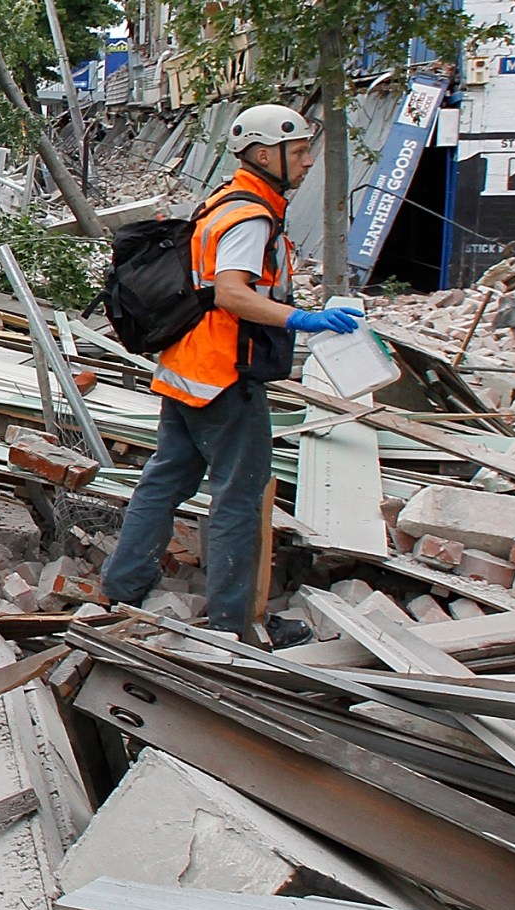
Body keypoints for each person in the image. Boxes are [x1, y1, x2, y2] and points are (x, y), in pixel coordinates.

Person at [100, 104, 362, 648]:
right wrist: (303, 319)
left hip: (189, 367)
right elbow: (231, 292)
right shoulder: (250, 216)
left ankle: (123, 587)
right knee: (238, 497)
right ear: (267, 155)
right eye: (301, 151)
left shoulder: (225, 200)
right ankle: (234, 623)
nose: (310, 161)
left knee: (166, 479)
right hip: (224, 376)